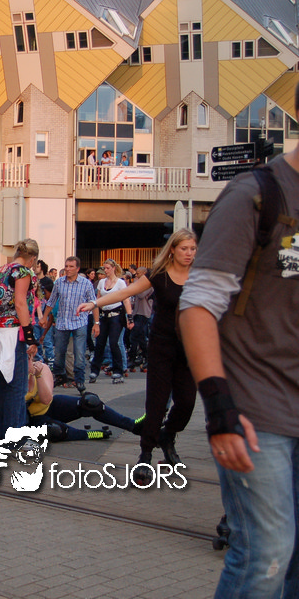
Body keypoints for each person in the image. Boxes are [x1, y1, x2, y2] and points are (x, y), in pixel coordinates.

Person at [179, 118, 299, 597]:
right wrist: (220, 408)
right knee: (267, 553)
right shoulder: (256, 194)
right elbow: (198, 307)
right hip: (257, 408)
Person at [77, 229, 198, 482]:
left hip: (189, 347)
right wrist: (95, 304)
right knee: (157, 403)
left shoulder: (200, 275)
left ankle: (168, 435)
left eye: (192, 249)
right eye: (184, 248)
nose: (189, 253)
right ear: (173, 249)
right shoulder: (159, 274)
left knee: (187, 403)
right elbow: (125, 293)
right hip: (162, 346)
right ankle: (145, 455)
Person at [0, 239, 40, 448]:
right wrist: (30, 336)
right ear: (33, 258)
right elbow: (21, 303)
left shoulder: (0, 271)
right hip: (14, 331)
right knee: (16, 387)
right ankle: (15, 439)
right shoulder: (22, 272)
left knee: (0, 387)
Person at [26, 355, 142, 441]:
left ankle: (133, 425)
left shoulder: (42, 368)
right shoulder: (15, 378)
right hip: (32, 419)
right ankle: (88, 434)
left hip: (49, 407)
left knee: (90, 402)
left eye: (28, 358)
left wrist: (37, 375)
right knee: (54, 430)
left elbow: (46, 399)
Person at [41, 256, 95, 392]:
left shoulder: (86, 284)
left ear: (77, 269)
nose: (68, 269)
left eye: (71, 267)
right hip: (62, 322)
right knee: (59, 352)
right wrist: (44, 317)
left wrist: (97, 323)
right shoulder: (59, 282)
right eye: (66, 266)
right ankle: (60, 375)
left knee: (79, 353)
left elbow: (93, 303)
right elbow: (51, 301)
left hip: (79, 322)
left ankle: (79, 380)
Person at [88, 259, 133, 384]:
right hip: (104, 315)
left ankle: (118, 370)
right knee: (100, 343)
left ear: (113, 268)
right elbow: (97, 300)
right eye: (104, 268)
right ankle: (95, 370)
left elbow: (126, 300)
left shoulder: (120, 283)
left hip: (116, 315)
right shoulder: (102, 282)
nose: (106, 270)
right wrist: (96, 321)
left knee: (114, 343)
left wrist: (129, 317)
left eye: (108, 268)